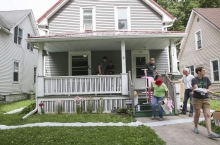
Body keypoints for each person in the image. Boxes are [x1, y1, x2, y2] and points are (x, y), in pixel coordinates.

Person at [191, 67, 219, 138]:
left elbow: (209, 86)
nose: (205, 72)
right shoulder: (194, 80)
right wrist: (204, 90)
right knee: (197, 114)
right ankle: (196, 127)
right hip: (197, 99)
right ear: (199, 72)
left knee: (207, 115)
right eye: (203, 70)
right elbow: (196, 88)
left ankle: (210, 133)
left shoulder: (206, 78)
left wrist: (208, 90)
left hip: (206, 98)